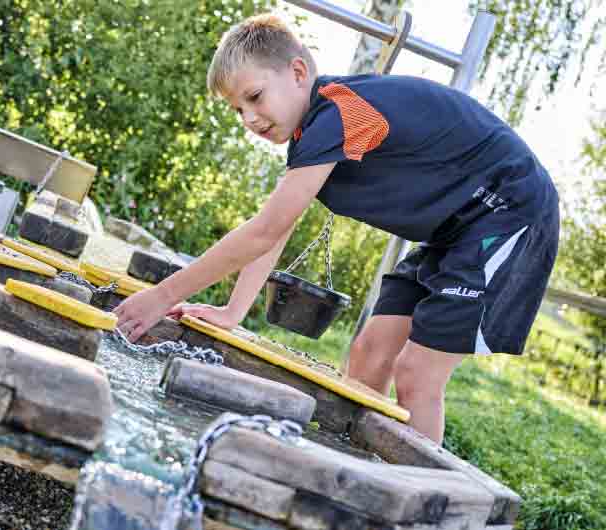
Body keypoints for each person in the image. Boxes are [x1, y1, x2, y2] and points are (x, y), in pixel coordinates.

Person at [114, 13, 559, 444]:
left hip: (508, 211)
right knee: (368, 354)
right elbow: (277, 229)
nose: (249, 118)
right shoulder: (313, 136)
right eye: (237, 110)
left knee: (417, 371)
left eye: (254, 96)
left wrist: (163, 296)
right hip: (455, 229)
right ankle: (355, 472)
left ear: (298, 72)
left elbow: (264, 232)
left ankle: (416, 506)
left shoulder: (339, 112)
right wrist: (232, 312)